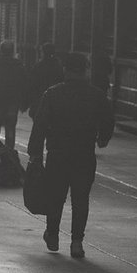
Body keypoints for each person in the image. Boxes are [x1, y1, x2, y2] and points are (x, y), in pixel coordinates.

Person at [27, 52, 115, 258]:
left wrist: (35, 153)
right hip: (84, 155)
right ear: (85, 71)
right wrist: (102, 139)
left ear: (65, 70)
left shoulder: (52, 94)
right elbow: (108, 120)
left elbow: (39, 126)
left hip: (58, 154)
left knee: (56, 197)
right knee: (81, 199)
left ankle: (53, 235)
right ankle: (77, 242)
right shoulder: (96, 95)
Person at [0, 40, 28, 149]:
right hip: (12, 102)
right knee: (10, 129)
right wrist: (24, 102)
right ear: (12, 51)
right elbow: (24, 83)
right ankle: (9, 154)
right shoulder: (19, 65)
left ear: (1, 50)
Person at [28, 42, 65, 120]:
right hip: (55, 101)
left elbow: (32, 85)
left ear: (43, 53)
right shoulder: (58, 66)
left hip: (40, 101)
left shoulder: (38, 66)